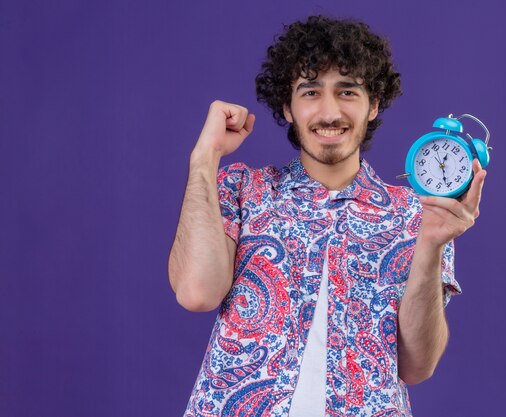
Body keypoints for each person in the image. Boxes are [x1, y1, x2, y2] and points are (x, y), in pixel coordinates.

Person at [168, 15, 486, 417]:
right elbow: (197, 292)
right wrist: (203, 158)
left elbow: (417, 366)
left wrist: (431, 244)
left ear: (374, 105)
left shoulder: (417, 214)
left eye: (348, 91)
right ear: (287, 106)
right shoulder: (243, 189)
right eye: (311, 91)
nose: (329, 111)